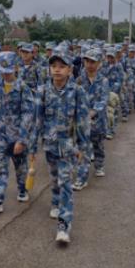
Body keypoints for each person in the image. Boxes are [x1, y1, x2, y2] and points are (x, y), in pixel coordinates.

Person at [31, 48, 90, 244]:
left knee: (65, 182)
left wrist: (82, 147)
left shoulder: (77, 91)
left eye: (62, 66)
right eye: (53, 66)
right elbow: (37, 120)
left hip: (67, 145)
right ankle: (55, 201)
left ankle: (64, 225)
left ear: (70, 70)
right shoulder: (42, 91)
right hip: (49, 143)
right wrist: (32, 147)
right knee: (54, 178)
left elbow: (82, 121)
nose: (57, 70)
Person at [0, 51, 35, 213]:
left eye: (8, 71)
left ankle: (23, 189)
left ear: (16, 68)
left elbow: (28, 115)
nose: (5, 75)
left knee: (21, 167)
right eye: (2, 71)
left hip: (17, 134)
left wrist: (22, 140)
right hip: (0, 133)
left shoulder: (23, 88)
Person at [73, 48, 109, 191]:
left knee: (98, 145)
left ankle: (99, 165)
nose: (89, 65)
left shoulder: (103, 81)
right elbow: (74, 96)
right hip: (83, 122)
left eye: (93, 62)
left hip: (98, 121)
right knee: (84, 148)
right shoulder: (79, 79)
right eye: (87, 61)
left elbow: (104, 100)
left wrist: (93, 111)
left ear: (99, 63)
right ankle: (81, 178)